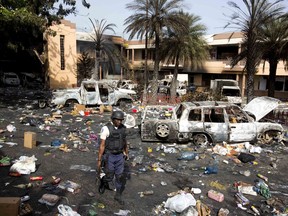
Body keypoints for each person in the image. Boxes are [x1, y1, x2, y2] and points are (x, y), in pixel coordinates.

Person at [97, 110, 128, 205]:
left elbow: (124, 141)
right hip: (109, 155)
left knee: (119, 176)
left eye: (121, 120)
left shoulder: (123, 128)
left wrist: (126, 153)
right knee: (110, 175)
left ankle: (118, 195)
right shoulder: (106, 129)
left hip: (119, 155)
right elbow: (102, 145)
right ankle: (103, 181)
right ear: (113, 119)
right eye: (117, 120)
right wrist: (99, 159)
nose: (119, 122)